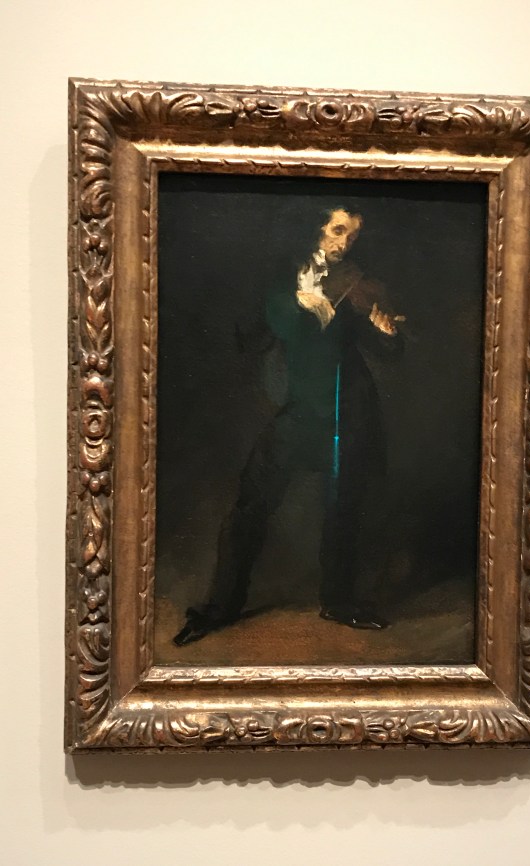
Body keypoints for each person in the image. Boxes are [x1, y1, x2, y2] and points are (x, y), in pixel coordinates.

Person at [173, 208, 404, 647]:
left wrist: (387, 332)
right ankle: (220, 608)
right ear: (317, 229)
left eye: (352, 236)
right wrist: (296, 301)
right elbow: (252, 335)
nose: (343, 244)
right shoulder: (282, 276)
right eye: (338, 231)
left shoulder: (357, 282)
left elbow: (387, 351)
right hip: (298, 412)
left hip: (346, 413)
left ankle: (339, 602)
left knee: (343, 509)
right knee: (251, 505)